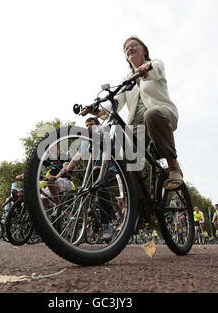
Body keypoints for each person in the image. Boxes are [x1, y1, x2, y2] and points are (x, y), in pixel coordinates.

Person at [81, 36, 183, 191]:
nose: (129, 49)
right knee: (126, 159)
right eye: (126, 49)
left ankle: (173, 166)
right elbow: (116, 102)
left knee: (151, 114)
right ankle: (135, 201)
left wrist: (144, 70)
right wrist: (97, 111)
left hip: (163, 113)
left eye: (133, 45)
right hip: (137, 124)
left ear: (144, 50)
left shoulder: (154, 63)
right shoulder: (126, 79)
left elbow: (156, 71)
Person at [56, 117, 119, 240]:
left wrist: (102, 166)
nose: (88, 127)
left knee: (101, 186)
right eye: (87, 125)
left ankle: (107, 224)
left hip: (110, 170)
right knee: (83, 187)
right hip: (93, 172)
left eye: (91, 124)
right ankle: (88, 212)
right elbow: (77, 157)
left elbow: (107, 153)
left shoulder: (105, 136)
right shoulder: (86, 141)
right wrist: (67, 169)